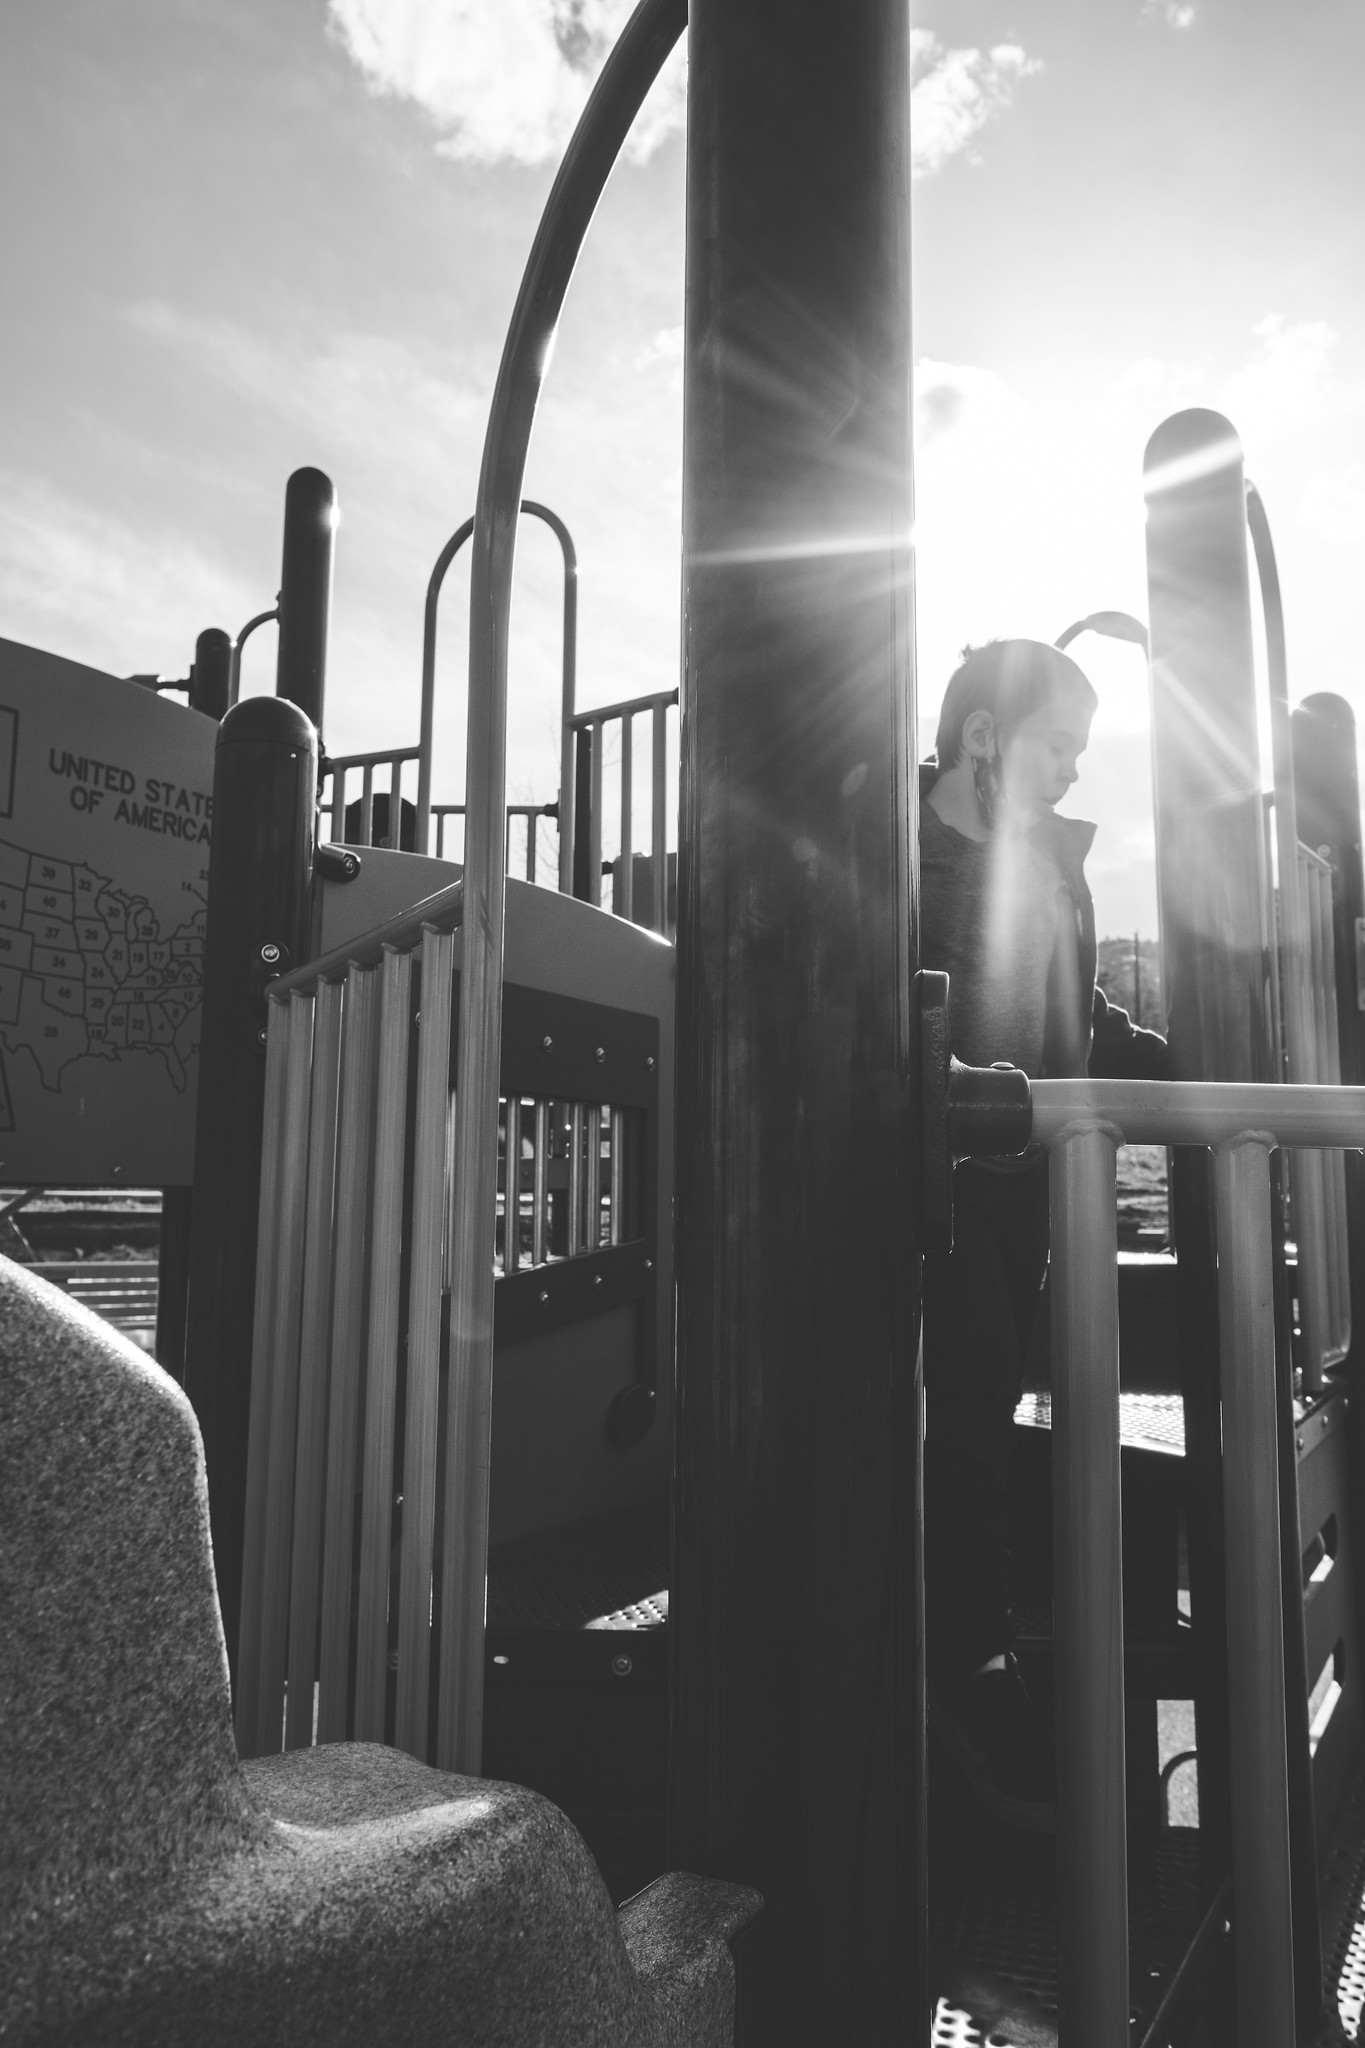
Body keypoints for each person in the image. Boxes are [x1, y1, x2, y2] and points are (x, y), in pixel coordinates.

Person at [919, 638, 1166, 1832]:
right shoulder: (899, 858)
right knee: (959, 1417)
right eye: (1058, 742)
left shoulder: (1053, 869)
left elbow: (1082, 1013)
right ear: (984, 736)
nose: (1073, 766)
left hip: (1023, 1193)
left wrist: (1183, 1064)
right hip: (930, 1184)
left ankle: (973, 1657)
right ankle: (967, 1672)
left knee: (983, 1409)